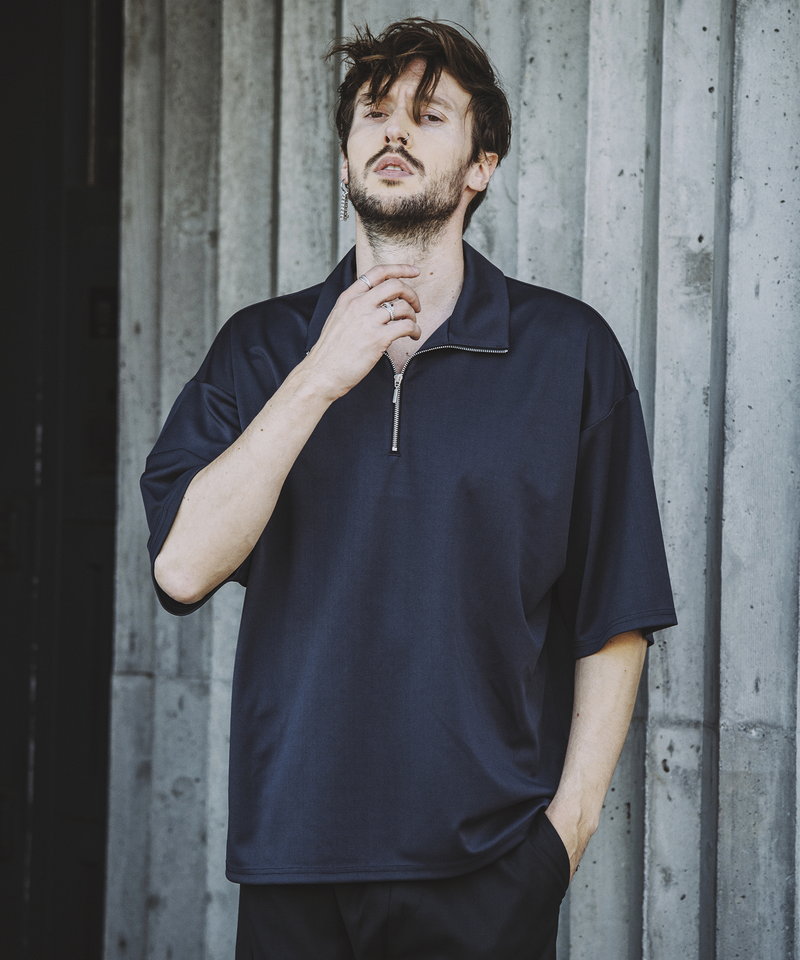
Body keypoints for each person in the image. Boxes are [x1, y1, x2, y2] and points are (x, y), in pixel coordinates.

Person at [141, 17, 677, 960]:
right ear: (347, 154)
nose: (393, 129)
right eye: (373, 111)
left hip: (488, 867)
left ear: (481, 167)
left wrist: (565, 836)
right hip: (293, 859)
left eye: (430, 115)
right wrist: (319, 375)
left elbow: (616, 613)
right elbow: (182, 568)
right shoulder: (260, 349)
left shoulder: (570, 353)